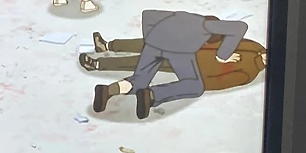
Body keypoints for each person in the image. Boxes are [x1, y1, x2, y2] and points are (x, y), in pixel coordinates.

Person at [91, 11, 250, 119]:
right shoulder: (208, 25)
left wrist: (151, 38)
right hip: (179, 51)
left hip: (153, 45)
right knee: (195, 85)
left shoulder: (183, 16)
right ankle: (152, 95)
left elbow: (148, 14)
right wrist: (223, 56)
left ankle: (107, 91)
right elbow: (240, 27)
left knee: (139, 79)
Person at [80, 29, 267, 90]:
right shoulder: (256, 47)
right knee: (149, 42)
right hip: (192, 45)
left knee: (145, 61)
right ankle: (108, 46)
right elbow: (227, 39)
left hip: (191, 65)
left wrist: (195, 80)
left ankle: (98, 64)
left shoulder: (249, 73)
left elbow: (219, 83)